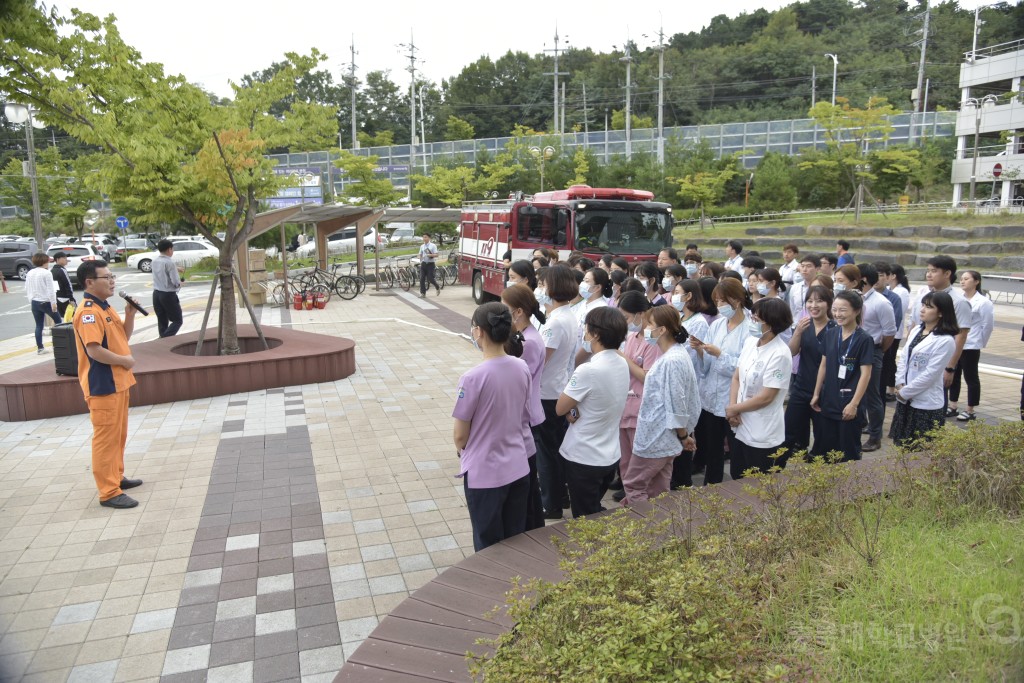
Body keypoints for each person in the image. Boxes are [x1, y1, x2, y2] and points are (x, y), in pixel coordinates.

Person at [454, 303, 532, 551]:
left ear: (478, 332)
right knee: (514, 538)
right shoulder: (521, 366)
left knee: (488, 544)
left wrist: (463, 447)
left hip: (485, 473)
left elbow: (460, 436)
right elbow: (523, 415)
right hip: (518, 466)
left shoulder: (472, 378)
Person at [73, 260, 141, 509]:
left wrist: (130, 315)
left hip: (119, 382)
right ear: (90, 282)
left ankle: (117, 477)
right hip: (103, 384)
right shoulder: (89, 312)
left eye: (113, 277)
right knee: (105, 438)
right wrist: (124, 361)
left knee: (118, 435)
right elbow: (94, 351)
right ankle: (109, 491)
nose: (112, 281)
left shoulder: (105, 308)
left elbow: (122, 337)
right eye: (107, 278)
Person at [556, 307, 630, 517]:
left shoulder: (588, 370)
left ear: (596, 334)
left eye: (586, 330)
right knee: (593, 510)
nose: (585, 335)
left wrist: (574, 409)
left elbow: (560, 408)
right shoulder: (621, 362)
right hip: (609, 454)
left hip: (584, 456)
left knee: (584, 519)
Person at [625, 305, 701, 502]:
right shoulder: (673, 355)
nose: (646, 327)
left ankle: (646, 528)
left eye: (650, 324)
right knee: (658, 488)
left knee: (634, 484)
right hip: (662, 434)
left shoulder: (672, 360)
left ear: (662, 329)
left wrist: (684, 435)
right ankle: (661, 526)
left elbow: (677, 401)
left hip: (658, 435)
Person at [690, 278, 752, 484]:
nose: (719, 306)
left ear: (737, 300)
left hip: (731, 397)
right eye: (717, 302)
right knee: (712, 448)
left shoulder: (750, 328)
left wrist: (719, 354)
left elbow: (746, 368)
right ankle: (712, 485)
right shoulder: (717, 324)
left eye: (723, 302)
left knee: (736, 448)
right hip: (710, 397)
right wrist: (701, 350)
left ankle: (740, 487)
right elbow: (706, 367)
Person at [726, 298, 793, 476]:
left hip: (762, 431)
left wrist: (733, 408)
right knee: (737, 476)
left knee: (759, 484)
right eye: (753, 316)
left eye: (757, 319)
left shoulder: (780, 354)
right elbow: (736, 377)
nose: (752, 321)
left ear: (772, 323)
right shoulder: (751, 342)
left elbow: (766, 397)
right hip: (740, 424)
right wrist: (734, 408)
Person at [502, 285, 548, 530]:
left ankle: (531, 531)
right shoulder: (526, 335)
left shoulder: (528, 341)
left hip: (527, 416)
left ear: (518, 311)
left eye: (505, 308)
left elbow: (520, 382)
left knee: (528, 482)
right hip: (529, 413)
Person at [810, 291, 874, 462]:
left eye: (843, 310)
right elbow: (823, 365)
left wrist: (854, 404)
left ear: (857, 311)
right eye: (835, 310)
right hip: (828, 400)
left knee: (848, 451)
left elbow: (866, 373)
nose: (838, 314)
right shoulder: (831, 334)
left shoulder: (864, 339)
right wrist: (817, 393)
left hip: (849, 403)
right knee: (826, 449)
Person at [535, 266, 579, 519]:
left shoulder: (556, 322)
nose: (540, 289)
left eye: (543, 285)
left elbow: (541, 361)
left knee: (546, 451)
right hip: (557, 388)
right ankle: (560, 496)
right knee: (553, 447)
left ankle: (550, 503)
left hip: (547, 393)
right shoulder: (566, 315)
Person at [890, 292, 959, 448]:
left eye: (928, 307)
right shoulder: (916, 331)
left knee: (921, 451)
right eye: (922, 305)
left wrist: (905, 392)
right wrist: (900, 383)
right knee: (904, 448)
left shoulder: (945, 341)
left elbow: (931, 374)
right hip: (905, 398)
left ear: (941, 312)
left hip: (925, 404)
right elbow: (904, 360)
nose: (922, 310)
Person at [616, 291, 658, 504]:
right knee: (625, 461)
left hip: (641, 408)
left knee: (638, 463)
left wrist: (624, 359)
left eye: (626, 317)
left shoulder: (653, 341)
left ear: (640, 314)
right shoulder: (632, 337)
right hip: (626, 405)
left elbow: (647, 376)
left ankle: (641, 502)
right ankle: (630, 498)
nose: (625, 322)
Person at [784, 285, 835, 460]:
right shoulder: (804, 325)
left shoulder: (835, 329)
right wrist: (797, 332)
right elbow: (791, 351)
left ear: (829, 304)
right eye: (810, 301)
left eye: (819, 301)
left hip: (824, 390)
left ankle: (817, 463)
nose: (814, 305)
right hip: (801, 385)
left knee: (822, 434)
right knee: (789, 427)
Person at [909, 256, 971, 395]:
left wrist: (950, 368)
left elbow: (961, 336)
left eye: (934, 271)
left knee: (934, 400)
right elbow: (914, 325)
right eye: (928, 270)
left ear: (947, 274)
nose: (929, 274)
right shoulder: (922, 297)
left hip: (938, 361)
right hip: (916, 359)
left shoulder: (958, 302)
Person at [670, 280, 709, 487]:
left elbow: (693, 353)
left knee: (684, 428)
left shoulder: (699, 322)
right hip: (676, 376)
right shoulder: (679, 316)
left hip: (687, 378)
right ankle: (674, 475)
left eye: (678, 292)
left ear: (689, 296)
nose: (674, 296)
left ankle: (682, 479)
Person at [855, 263, 897, 453]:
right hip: (853, 349)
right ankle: (861, 424)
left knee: (872, 395)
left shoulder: (880, 302)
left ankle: (875, 436)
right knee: (857, 391)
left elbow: (890, 332)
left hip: (872, 350)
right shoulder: (854, 298)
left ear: (862, 280)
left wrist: (878, 350)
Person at [948, 271, 994, 421]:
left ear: (976, 281)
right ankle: (953, 405)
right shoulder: (959, 300)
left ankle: (970, 409)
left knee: (971, 377)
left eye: (966, 279)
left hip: (971, 344)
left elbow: (987, 325)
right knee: (953, 374)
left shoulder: (983, 302)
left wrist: (980, 342)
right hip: (956, 342)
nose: (962, 281)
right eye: (961, 279)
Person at [26, 251, 61, 355]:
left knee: (39, 325)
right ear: (44, 261)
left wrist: (31, 300)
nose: (48, 262)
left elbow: (27, 288)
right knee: (59, 323)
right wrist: (53, 303)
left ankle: (40, 348)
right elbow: (51, 290)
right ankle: (59, 344)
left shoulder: (30, 272)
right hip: (46, 301)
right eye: (47, 261)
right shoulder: (47, 273)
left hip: (34, 302)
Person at [152, 239, 185, 338]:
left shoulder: (155, 261)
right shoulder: (169, 262)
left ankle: (162, 341)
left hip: (156, 293)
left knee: (162, 320)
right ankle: (163, 339)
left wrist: (176, 268)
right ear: (169, 249)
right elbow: (175, 282)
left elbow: (161, 272)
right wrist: (181, 283)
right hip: (168, 294)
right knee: (177, 320)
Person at [51, 251, 76, 319]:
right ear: (58, 259)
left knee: (63, 318)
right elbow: (68, 284)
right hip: (66, 298)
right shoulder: (62, 270)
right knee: (71, 318)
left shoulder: (52, 270)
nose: (66, 259)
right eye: (64, 258)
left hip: (57, 298)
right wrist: (71, 298)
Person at [418, 233, 440, 297]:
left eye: (426, 237)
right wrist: (419, 257)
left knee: (430, 278)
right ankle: (423, 293)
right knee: (422, 278)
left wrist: (430, 255)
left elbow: (437, 254)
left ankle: (437, 287)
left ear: (429, 238)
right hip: (424, 263)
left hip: (430, 264)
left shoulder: (433, 246)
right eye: (423, 237)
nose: (424, 238)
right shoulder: (422, 246)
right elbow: (420, 254)